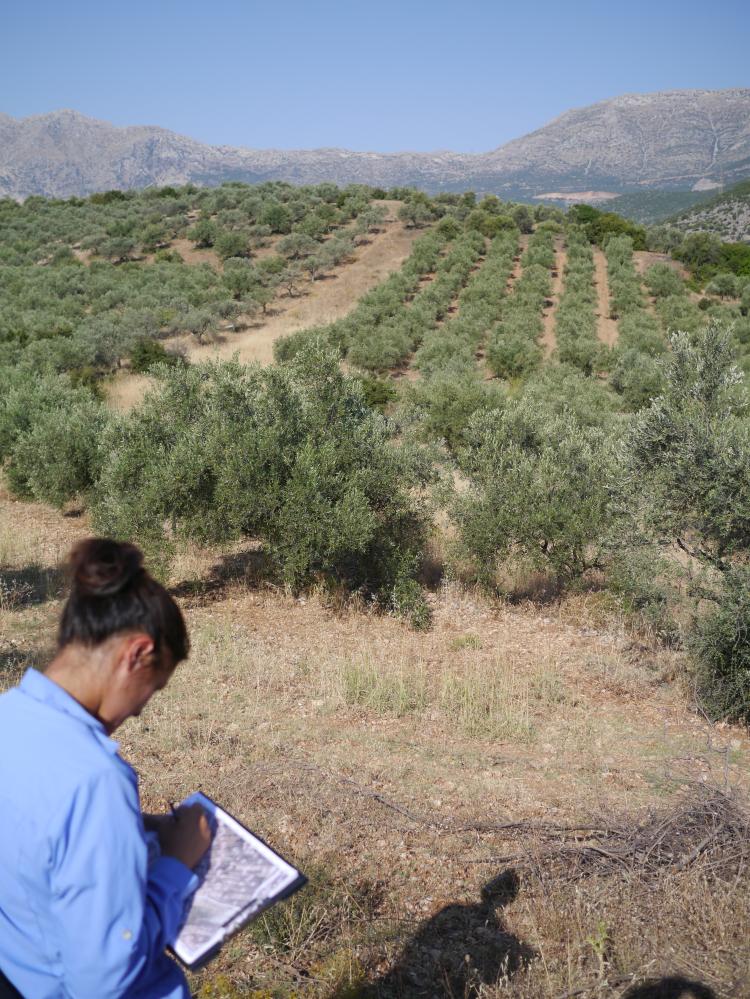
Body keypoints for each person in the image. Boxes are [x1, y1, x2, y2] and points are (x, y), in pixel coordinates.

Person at [0, 538, 213, 998]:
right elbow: (105, 981)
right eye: (152, 689)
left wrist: (128, 829)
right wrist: (178, 861)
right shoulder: (95, 780)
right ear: (135, 654)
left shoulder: (7, 719)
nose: (138, 712)